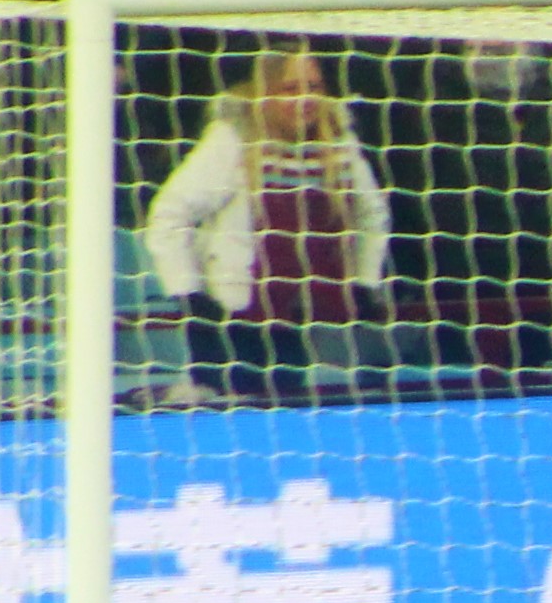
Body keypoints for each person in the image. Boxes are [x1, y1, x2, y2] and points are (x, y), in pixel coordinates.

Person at [142, 45, 389, 394]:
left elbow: (372, 215)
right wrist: (190, 295)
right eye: (291, 89)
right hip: (238, 320)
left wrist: (364, 281)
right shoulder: (233, 140)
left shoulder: (340, 143)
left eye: (314, 87)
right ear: (266, 92)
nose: (305, 99)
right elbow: (169, 213)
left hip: (314, 319)